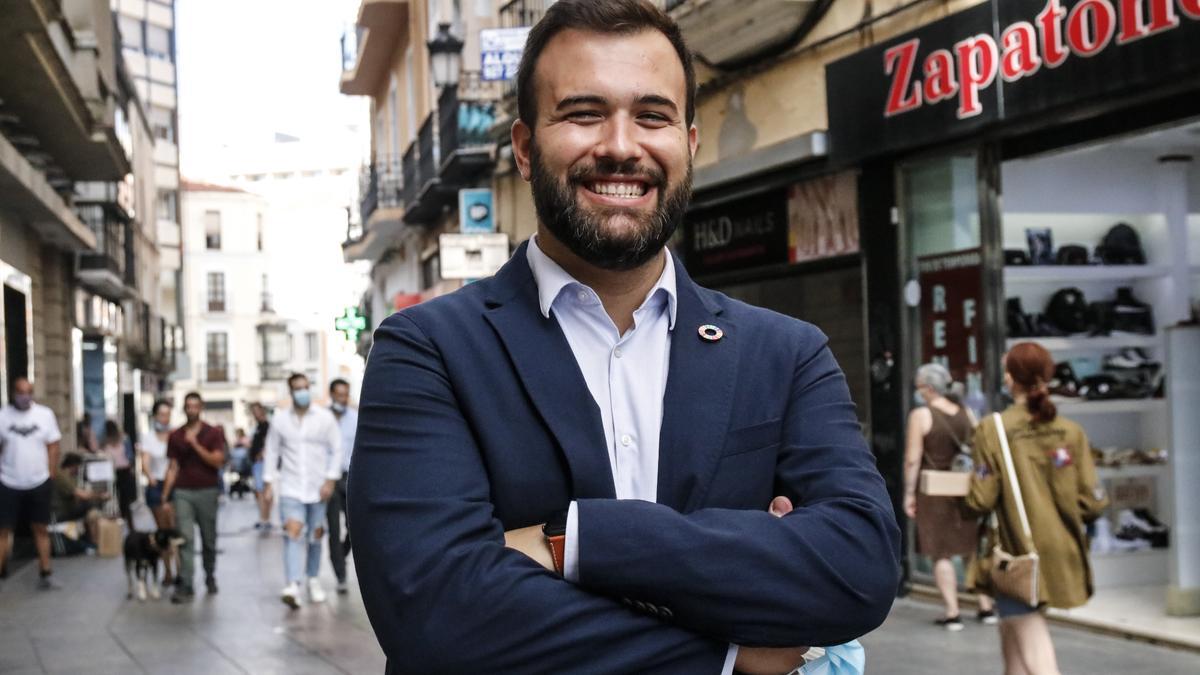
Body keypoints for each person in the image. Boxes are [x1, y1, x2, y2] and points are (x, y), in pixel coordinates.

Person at [347, 2, 899, 672]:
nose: (619, 144)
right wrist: (727, 647)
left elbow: (861, 567)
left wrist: (577, 538)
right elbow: (434, 609)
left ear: (689, 143)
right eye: (583, 112)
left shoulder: (786, 353)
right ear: (524, 146)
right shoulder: (426, 350)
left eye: (652, 115)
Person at [966, 343, 1108, 675]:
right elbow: (1093, 500)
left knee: (1031, 640)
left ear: (1011, 378)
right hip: (1062, 552)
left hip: (1018, 554)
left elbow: (981, 499)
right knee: (1013, 636)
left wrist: (967, 492)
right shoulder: (1071, 432)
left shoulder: (994, 429)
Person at [903, 363, 996, 629]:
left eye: (919, 387)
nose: (918, 392)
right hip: (966, 488)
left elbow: (912, 460)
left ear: (928, 389)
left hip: (934, 490)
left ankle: (953, 611)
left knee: (940, 552)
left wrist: (909, 494)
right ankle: (985, 607)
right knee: (970, 549)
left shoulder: (921, 415)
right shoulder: (966, 413)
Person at [262, 373, 342, 609]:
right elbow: (272, 451)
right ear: (291, 391)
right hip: (291, 486)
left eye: (306, 387)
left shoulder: (325, 418)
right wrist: (268, 483)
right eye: (298, 388)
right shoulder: (280, 420)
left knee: (316, 535)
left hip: (318, 487)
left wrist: (330, 479)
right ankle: (293, 584)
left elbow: (337, 450)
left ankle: (313, 579)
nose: (303, 392)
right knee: (292, 535)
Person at [0, 377, 63, 589]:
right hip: (8, 480)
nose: (24, 396)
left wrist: (51, 473)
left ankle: (46, 571)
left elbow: (54, 445)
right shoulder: (3, 416)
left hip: (38, 481)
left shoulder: (44, 415)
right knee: (4, 529)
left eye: (28, 391)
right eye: (20, 392)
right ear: (13, 393)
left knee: (40, 528)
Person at [162, 392, 226, 603]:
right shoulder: (176, 435)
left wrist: (196, 445)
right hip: (183, 492)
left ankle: (210, 574)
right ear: (184, 408)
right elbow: (173, 467)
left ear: (201, 407)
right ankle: (187, 583)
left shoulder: (213, 433)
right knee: (185, 538)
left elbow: (217, 461)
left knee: (209, 538)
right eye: (188, 406)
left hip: (207, 490)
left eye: (195, 406)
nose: (192, 410)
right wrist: (165, 496)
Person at [139, 400, 176, 579]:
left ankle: (180, 570)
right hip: (156, 484)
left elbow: (175, 464)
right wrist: (150, 476)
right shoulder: (149, 437)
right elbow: (144, 461)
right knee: (162, 531)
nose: (165, 418)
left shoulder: (175, 435)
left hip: (174, 484)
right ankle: (167, 571)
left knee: (175, 528)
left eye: (168, 414)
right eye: (162, 414)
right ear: (155, 416)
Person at [326, 378, 356, 594]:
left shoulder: (355, 418)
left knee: (354, 527)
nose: (342, 398)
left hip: (349, 477)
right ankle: (341, 574)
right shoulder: (322, 419)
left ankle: (341, 553)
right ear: (331, 394)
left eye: (345, 394)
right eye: (339, 394)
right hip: (328, 479)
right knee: (333, 529)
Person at [51, 453, 107, 547]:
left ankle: (91, 539)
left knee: (90, 510)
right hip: (59, 513)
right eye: (78, 467)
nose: (79, 471)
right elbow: (81, 495)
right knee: (89, 505)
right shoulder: (61, 476)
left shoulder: (69, 477)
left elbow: (80, 494)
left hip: (66, 509)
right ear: (73, 466)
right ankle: (91, 541)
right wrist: (100, 496)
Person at [100, 420, 136, 533]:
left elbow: (130, 456)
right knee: (116, 500)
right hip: (114, 472)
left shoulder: (122, 439)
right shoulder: (106, 442)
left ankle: (128, 527)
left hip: (122, 471)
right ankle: (122, 526)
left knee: (124, 501)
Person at [248, 403, 272, 531]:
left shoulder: (267, 426)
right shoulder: (258, 427)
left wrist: (262, 454)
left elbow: (270, 444)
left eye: (257, 411)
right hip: (257, 463)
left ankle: (265, 519)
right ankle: (263, 518)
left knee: (263, 492)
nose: (255, 414)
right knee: (259, 492)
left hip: (263, 463)